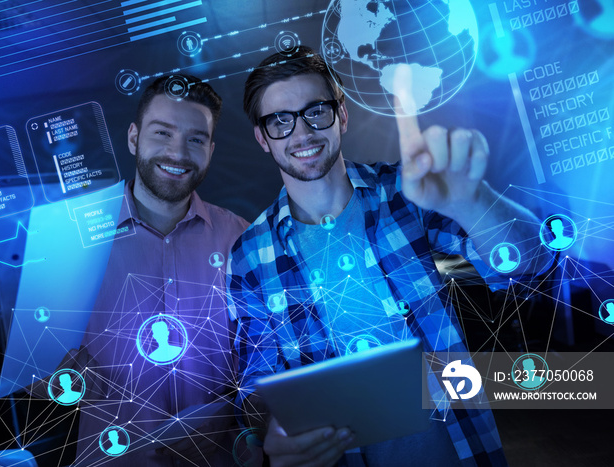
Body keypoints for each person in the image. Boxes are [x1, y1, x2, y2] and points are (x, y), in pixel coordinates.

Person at [227, 46, 551, 466]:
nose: (302, 132)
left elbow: (529, 261)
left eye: (316, 111)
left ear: (341, 115)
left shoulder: (406, 192)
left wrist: (472, 200)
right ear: (262, 137)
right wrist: (264, 437)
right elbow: (254, 384)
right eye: (280, 121)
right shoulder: (250, 254)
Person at [32, 74, 249, 465]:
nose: (178, 152)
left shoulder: (242, 238)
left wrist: (227, 413)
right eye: (162, 133)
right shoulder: (70, 240)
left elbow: (270, 361)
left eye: (195, 139)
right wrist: (56, 378)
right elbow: (30, 374)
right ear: (134, 138)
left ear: (210, 150)